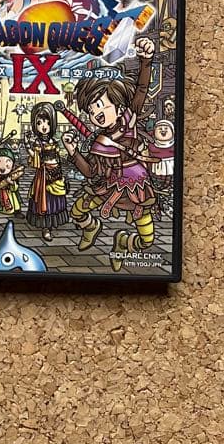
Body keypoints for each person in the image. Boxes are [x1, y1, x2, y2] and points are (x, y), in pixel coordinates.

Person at [59, 36, 157, 270]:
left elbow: (142, 89)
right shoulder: (98, 143)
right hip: (106, 186)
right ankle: (91, 227)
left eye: (101, 105)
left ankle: (124, 243)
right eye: (92, 110)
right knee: (77, 211)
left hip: (135, 187)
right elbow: (91, 172)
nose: (97, 114)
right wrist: (73, 152)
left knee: (147, 240)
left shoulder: (129, 118)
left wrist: (146, 60)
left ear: (118, 103)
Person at [24, 101, 70, 241]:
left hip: (56, 172)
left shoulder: (53, 142)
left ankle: (53, 223)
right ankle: (46, 227)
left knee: (56, 198)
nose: (44, 126)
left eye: (47, 122)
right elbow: (35, 157)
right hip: (44, 174)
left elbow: (58, 156)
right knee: (45, 200)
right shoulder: (38, 143)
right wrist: (27, 145)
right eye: (40, 123)